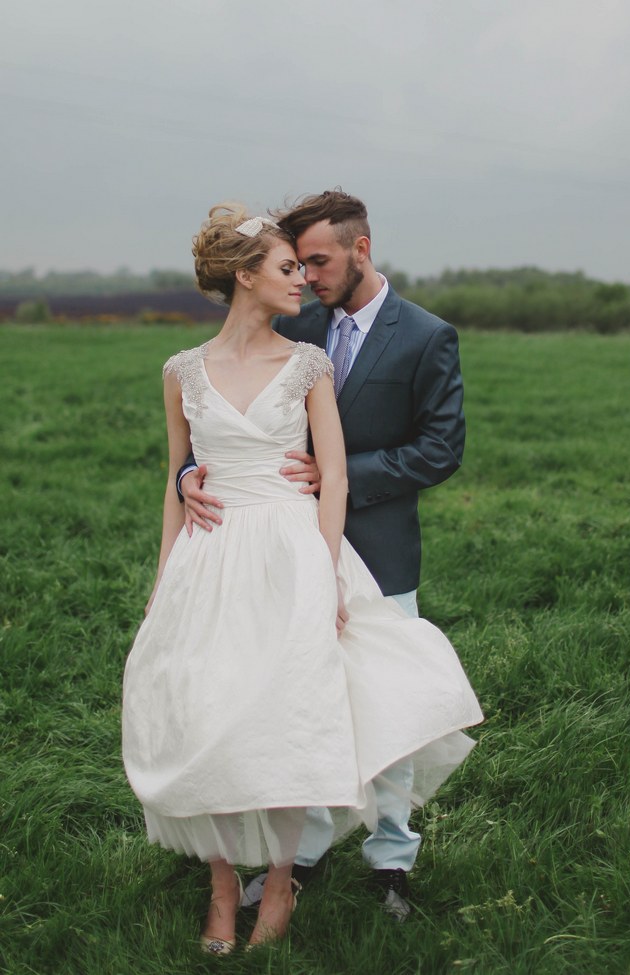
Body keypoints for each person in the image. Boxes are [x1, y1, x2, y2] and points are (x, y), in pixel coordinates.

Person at [122, 203, 482, 954]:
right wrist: (189, 483)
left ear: (359, 250)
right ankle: (253, 875)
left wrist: (327, 487)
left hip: (351, 546)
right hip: (226, 550)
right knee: (235, 704)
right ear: (248, 275)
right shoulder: (275, 334)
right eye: (294, 264)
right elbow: (191, 453)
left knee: (378, 708)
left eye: (315, 263)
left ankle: (383, 863)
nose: (307, 277)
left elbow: (437, 449)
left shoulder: (420, 335)